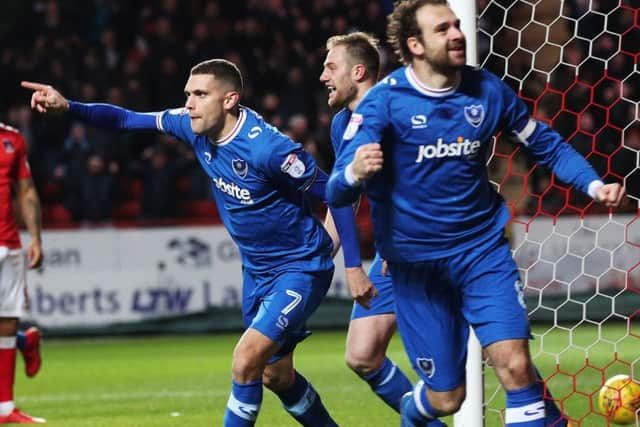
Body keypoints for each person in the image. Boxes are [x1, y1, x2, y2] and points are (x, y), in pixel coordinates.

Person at [22, 58, 372, 427]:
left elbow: (338, 192)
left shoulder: (271, 150)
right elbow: (126, 119)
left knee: (245, 360)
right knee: (276, 376)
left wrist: (348, 263)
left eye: (200, 94)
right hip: (256, 272)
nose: (189, 103)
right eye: (188, 94)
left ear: (229, 100)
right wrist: (70, 107)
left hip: (298, 270)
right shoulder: (191, 126)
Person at [326, 1, 625, 426]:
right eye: (442, 28)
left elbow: (546, 144)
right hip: (417, 267)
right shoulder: (384, 104)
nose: (457, 34)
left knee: (516, 367)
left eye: (456, 24)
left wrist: (594, 184)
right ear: (414, 45)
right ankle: (415, 417)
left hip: (481, 253)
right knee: (447, 398)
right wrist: (354, 171)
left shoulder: (486, 90)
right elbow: (336, 189)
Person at [320, 32, 445, 427]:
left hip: (434, 244)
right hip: (393, 254)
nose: (322, 76)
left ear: (358, 72)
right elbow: (343, 195)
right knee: (362, 354)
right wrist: (322, 259)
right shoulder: (342, 124)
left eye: (330, 67)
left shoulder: (399, 110)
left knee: (496, 351)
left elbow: (432, 179)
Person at [0, 122, 46, 424]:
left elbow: (26, 190)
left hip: (7, 243)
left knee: (4, 319)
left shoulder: (11, 139)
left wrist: (36, 238)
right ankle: (23, 341)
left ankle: (4, 408)